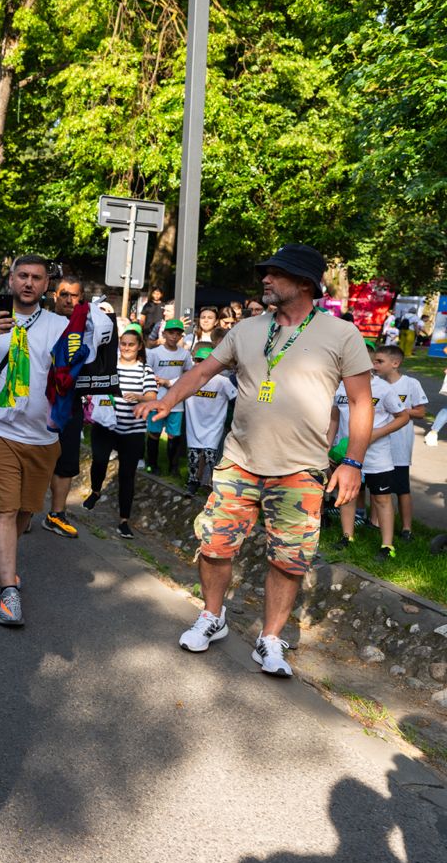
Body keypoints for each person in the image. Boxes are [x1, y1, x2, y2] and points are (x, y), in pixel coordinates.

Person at [136, 243, 374, 679]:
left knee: (288, 559)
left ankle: (270, 638)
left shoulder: (342, 334)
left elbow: (361, 402)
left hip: (300, 470)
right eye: (265, 272)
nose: (265, 279)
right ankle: (213, 616)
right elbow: (202, 372)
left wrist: (353, 463)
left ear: (305, 283)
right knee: (214, 544)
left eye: (276, 273)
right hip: (239, 462)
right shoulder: (247, 329)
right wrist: (167, 400)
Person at [0, 254, 75, 626]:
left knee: (25, 509)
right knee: (4, 509)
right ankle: (9, 591)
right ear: (10, 279)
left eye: (37, 277)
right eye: (22, 275)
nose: (29, 283)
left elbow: (70, 374)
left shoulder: (59, 325)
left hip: (41, 435)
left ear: (46, 284)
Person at [333, 345, 411, 555]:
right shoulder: (341, 387)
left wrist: (377, 433)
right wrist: (329, 446)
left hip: (377, 457)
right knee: (348, 495)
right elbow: (334, 418)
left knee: (381, 499)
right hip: (348, 453)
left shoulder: (383, 388)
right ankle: (347, 537)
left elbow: (403, 417)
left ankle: (387, 545)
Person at [84, 327, 157, 538]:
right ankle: (96, 490)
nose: (126, 348)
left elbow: (152, 396)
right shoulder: (109, 365)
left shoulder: (145, 370)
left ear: (139, 346)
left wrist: (139, 397)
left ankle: (124, 520)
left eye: (131, 344)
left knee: (127, 474)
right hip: (105, 426)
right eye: (123, 344)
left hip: (132, 430)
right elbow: (94, 384)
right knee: (99, 460)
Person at [43, 275, 87, 538]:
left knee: (67, 460)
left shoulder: (89, 326)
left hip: (71, 403)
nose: (69, 300)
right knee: (36, 458)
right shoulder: (43, 322)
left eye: (74, 295)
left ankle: (56, 514)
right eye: (64, 294)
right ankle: (25, 511)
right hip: (41, 402)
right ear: (54, 296)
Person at [385, 346, 428, 540]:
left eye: (379, 361)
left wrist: (398, 409)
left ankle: (406, 529)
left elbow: (421, 412)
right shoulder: (376, 384)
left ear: (395, 363)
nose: (374, 365)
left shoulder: (411, 383)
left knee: (402, 489)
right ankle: (376, 523)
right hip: (379, 446)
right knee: (380, 489)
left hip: (400, 447)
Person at [183, 344, 236, 497]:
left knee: (210, 457)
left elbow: (237, 398)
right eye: (198, 360)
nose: (200, 364)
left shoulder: (223, 381)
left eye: (204, 361)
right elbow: (171, 384)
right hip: (194, 427)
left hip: (213, 428)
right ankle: (192, 484)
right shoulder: (189, 378)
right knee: (193, 457)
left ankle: (214, 488)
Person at [145, 318, 192, 475]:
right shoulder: (154, 353)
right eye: (171, 333)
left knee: (174, 435)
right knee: (154, 433)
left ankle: (173, 467)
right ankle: (152, 464)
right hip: (157, 400)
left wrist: (169, 382)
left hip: (176, 402)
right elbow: (147, 373)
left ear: (181, 336)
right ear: (164, 333)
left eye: (178, 334)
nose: (174, 336)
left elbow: (188, 375)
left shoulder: (185, 354)